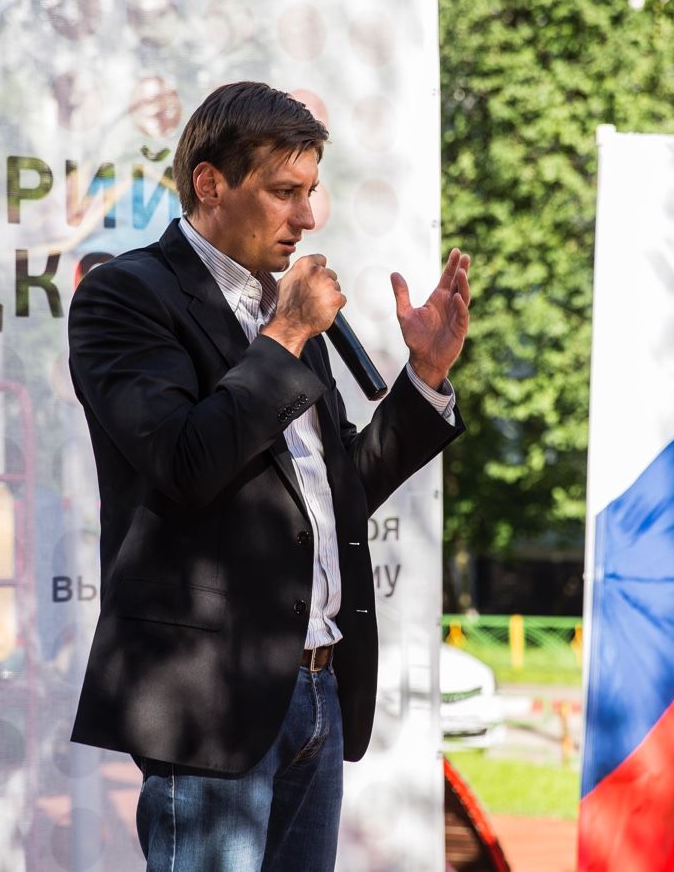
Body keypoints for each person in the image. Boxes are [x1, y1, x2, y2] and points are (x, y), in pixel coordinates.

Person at [66, 81, 471, 872]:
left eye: (311, 192)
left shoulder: (282, 313)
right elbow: (185, 462)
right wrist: (285, 333)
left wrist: (424, 378)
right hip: (208, 697)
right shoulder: (128, 294)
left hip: (316, 683)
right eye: (285, 192)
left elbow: (341, 489)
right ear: (210, 183)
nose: (308, 216)